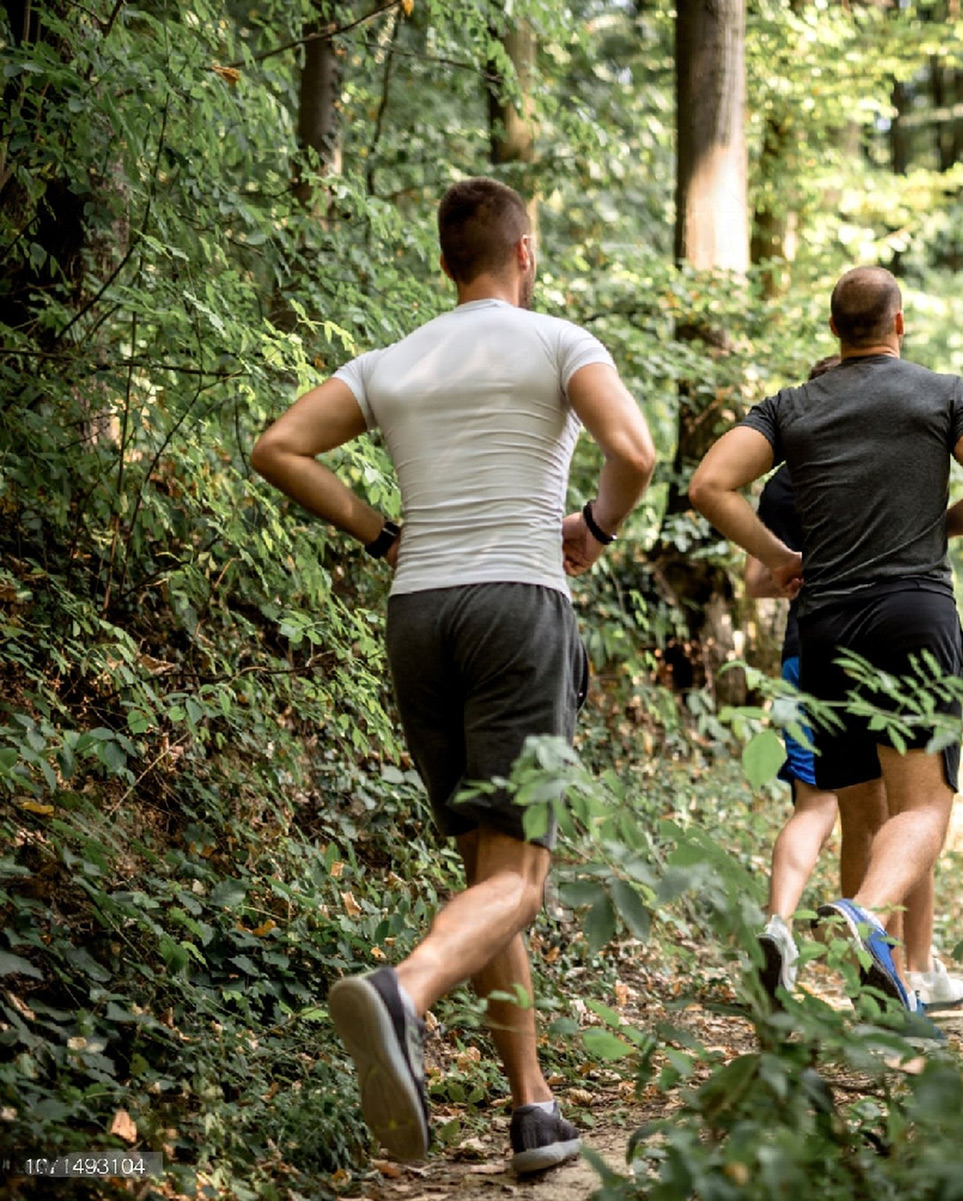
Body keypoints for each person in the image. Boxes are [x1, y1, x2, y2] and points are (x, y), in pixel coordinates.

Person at [250, 178, 656, 1173]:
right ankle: (405, 992)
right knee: (519, 879)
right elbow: (635, 450)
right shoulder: (560, 341)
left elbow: (279, 447)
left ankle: (534, 1109)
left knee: (487, 866)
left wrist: (384, 532)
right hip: (518, 604)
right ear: (526, 251)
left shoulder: (393, 360)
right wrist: (595, 529)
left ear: (446, 263)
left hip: (419, 614)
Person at [690, 266, 963, 1021]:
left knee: (863, 811)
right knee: (925, 809)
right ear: (898, 324)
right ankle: (868, 914)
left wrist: (779, 558)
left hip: (829, 628)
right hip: (912, 615)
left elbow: (710, 484)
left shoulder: (792, 406)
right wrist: (936, 524)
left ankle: (880, 990)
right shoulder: (944, 393)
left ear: (834, 332)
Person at [746, 356, 963, 1014]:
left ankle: (784, 925)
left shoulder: (785, 478)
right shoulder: (899, 439)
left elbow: (757, 577)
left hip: (810, 648)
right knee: (916, 807)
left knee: (828, 811)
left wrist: (792, 563)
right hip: (897, 627)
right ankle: (914, 967)